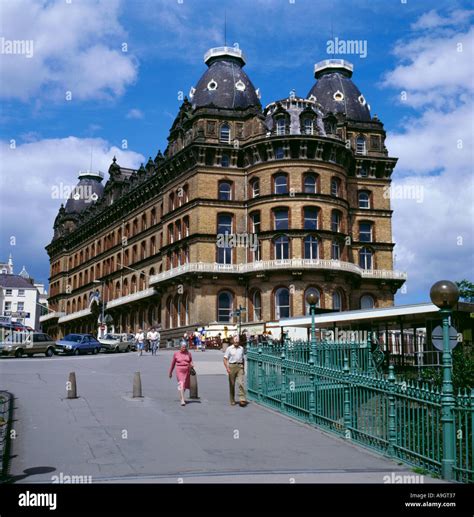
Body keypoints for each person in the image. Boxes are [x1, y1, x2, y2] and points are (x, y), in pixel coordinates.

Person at [223, 335, 248, 407]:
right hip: (232, 366)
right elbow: (225, 359)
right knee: (232, 384)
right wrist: (227, 368)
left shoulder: (241, 348)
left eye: (237, 340)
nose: (236, 341)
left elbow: (243, 358)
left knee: (241, 383)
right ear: (233, 341)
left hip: (240, 366)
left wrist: (243, 367)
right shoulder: (229, 349)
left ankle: (242, 399)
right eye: (235, 340)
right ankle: (232, 399)